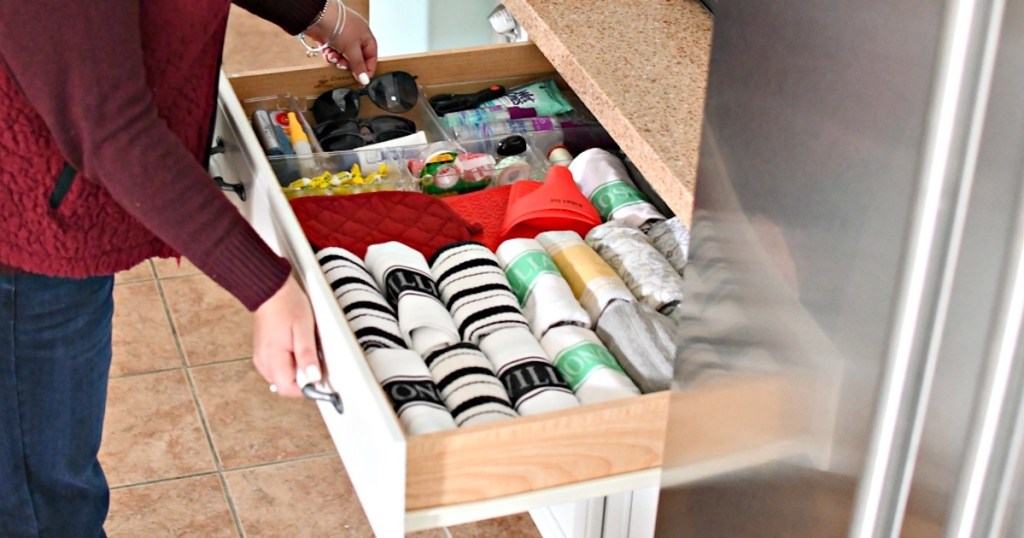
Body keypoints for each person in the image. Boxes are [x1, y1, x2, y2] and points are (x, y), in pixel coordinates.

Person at [0, 0, 377, 536]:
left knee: (50, 472)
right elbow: (109, 126)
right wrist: (266, 287)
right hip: (21, 237)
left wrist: (317, 14)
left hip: (55, 210)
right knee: (40, 505)